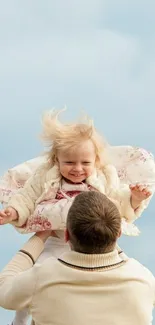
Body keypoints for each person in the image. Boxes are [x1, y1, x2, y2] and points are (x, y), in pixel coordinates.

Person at [0, 109, 152, 325]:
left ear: (96, 161)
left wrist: (134, 199)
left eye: (85, 163)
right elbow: (27, 197)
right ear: (56, 160)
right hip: (54, 240)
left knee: (34, 282)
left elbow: (118, 202)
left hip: (94, 242)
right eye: (69, 163)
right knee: (33, 274)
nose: (77, 169)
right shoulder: (45, 176)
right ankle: (20, 319)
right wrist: (13, 212)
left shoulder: (104, 177)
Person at [0, 191, 154, 325]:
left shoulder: (42, 278)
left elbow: (3, 289)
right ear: (119, 233)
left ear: (66, 235)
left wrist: (40, 235)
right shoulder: (143, 279)